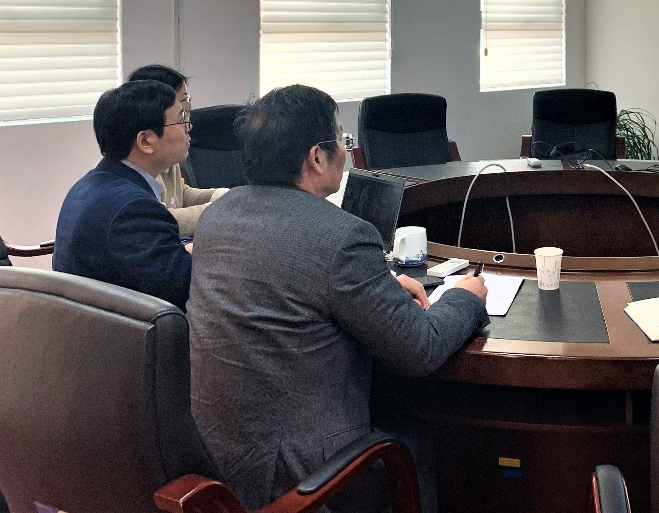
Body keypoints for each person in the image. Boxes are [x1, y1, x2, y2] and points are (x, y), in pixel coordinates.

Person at [188, 84, 488, 513]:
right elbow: (420, 349)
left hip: (221, 461)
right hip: (300, 479)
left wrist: (379, 288)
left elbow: (289, 285)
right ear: (316, 157)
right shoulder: (342, 235)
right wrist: (464, 297)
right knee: (423, 438)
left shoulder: (218, 215)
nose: (347, 152)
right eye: (342, 141)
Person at [53, 79, 193, 308]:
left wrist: (185, 246)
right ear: (145, 140)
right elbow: (184, 287)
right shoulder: (132, 208)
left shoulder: (91, 184)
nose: (188, 127)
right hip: (124, 328)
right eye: (181, 120)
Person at [126, 64, 227, 237]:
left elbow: (180, 194)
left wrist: (223, 196)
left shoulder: (164, 154)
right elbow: (158, 221)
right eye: (183, 99)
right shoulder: (130, 172)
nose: (188, 125)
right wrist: (219, 210)